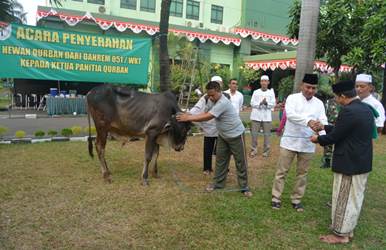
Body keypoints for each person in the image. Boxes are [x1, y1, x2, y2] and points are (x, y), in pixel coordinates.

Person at [310, 80, 374, 244]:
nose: (336, 100)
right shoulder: (364, 109)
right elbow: (344, 130)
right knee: (354, 198)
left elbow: (335, 137)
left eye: (337, 97)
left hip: (349, 163)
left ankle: (340, 235)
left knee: (343, 198)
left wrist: (318, 139)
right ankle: (348, 230)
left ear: (344, 96)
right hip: (360, 162)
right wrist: (323, 126)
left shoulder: (349, 111)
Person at [177, 81, 252, 197]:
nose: (210, 97)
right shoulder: (212, 100)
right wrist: (189, 114)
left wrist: (188, 118)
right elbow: (205, 112)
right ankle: (218, 183)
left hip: (236, 135)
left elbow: (208, 116)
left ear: (219, 91)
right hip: (222, 135)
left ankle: (244, 187)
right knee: (221, 160)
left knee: (240, 161)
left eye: (212, 95)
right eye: (209, 95)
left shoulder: (223, 102)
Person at [271, 73, 327, 211]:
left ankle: (296, 199)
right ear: (302, 85)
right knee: (282, 171)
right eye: (308, 87)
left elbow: (323, 121)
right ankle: (276, 197)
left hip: (308, 143)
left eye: (314, 88)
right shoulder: (292, 98)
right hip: (289, 141)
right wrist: (308, 121)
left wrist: (322, 134)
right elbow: (290, 115)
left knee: (302, 174)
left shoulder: (319, 103)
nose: (310, 90)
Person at [189, 75, 225, 175]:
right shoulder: (205, 97)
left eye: (220, 83)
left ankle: (222, 168)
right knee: (208, 149)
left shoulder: (225, 96)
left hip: (221, 127)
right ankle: (207, 168)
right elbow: (197, 108)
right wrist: (188, 115)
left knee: (221, 150)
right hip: (209, 126)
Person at [249, 75, 276, 157]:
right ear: (260, 82)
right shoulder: (255, 92)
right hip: (256, 116)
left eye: (265, 81)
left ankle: (266, 151)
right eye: (262, 81)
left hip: (266, 117)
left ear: (268, 82)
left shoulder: (271, 92)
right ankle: (253, 150)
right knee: (254, 134)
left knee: (267, 135)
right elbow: (252, 103)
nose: (264, 83)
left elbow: (273, 104)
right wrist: (260, 103)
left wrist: (266, 103)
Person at [320, 97, 339, 168]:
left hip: (340, 124)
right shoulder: (329, 101)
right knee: (328, 143)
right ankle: (327, 161)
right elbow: (325, 113)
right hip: (330, 123)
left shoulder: (345, 100)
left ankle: (338, 161)